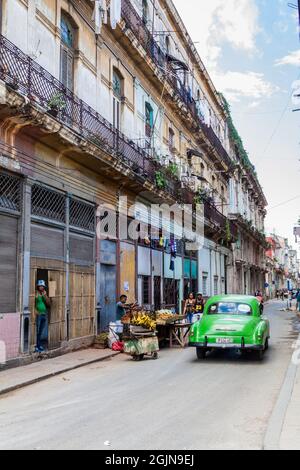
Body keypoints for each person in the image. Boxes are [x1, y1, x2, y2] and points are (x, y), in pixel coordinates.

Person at [35, 280, 50, 353]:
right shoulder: (35, 293)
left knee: (41, 331)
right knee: (37, 331)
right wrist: (35, 311)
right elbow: (32, 303)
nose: (42, 287)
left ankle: (39, 345)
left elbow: (48, 304)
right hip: (39, 314)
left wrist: (45, 296)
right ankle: (36, 346)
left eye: (43, 286)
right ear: (38, 286)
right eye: (40, 286)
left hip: (44, 314)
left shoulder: (44, 294)